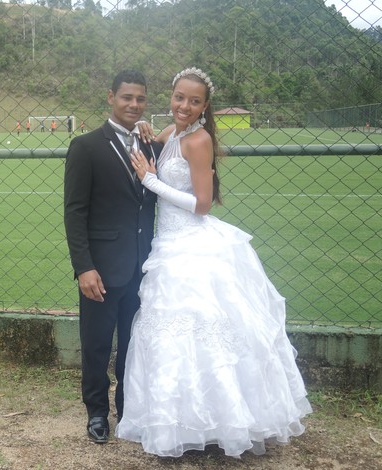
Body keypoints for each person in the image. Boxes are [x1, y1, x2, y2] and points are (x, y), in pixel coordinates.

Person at [115, 67, 312, 457]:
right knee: (170, 334)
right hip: (167, 244)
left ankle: (220, 423)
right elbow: (156, 149)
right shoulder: (173, 134)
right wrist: (144, 136)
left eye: (194, 101)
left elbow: (202, 205)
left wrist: (151, 181)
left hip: (192, 244)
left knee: (202, 331)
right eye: (179, 98)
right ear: (170, 97)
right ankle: (180, 421)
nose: (184, 106)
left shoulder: (199, 140)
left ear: (205, 108)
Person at [64, 69, 162, 445]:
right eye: (126, 98)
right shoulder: (86, 147)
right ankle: (97, 413)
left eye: (140, 99)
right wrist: (84, 267)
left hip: (143, 267)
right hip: (102, 269)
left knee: (134, 344)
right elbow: (75, 212)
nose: (133, 105)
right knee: (97, 343)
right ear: (111, 97)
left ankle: (128, 409)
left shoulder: (150, 145)